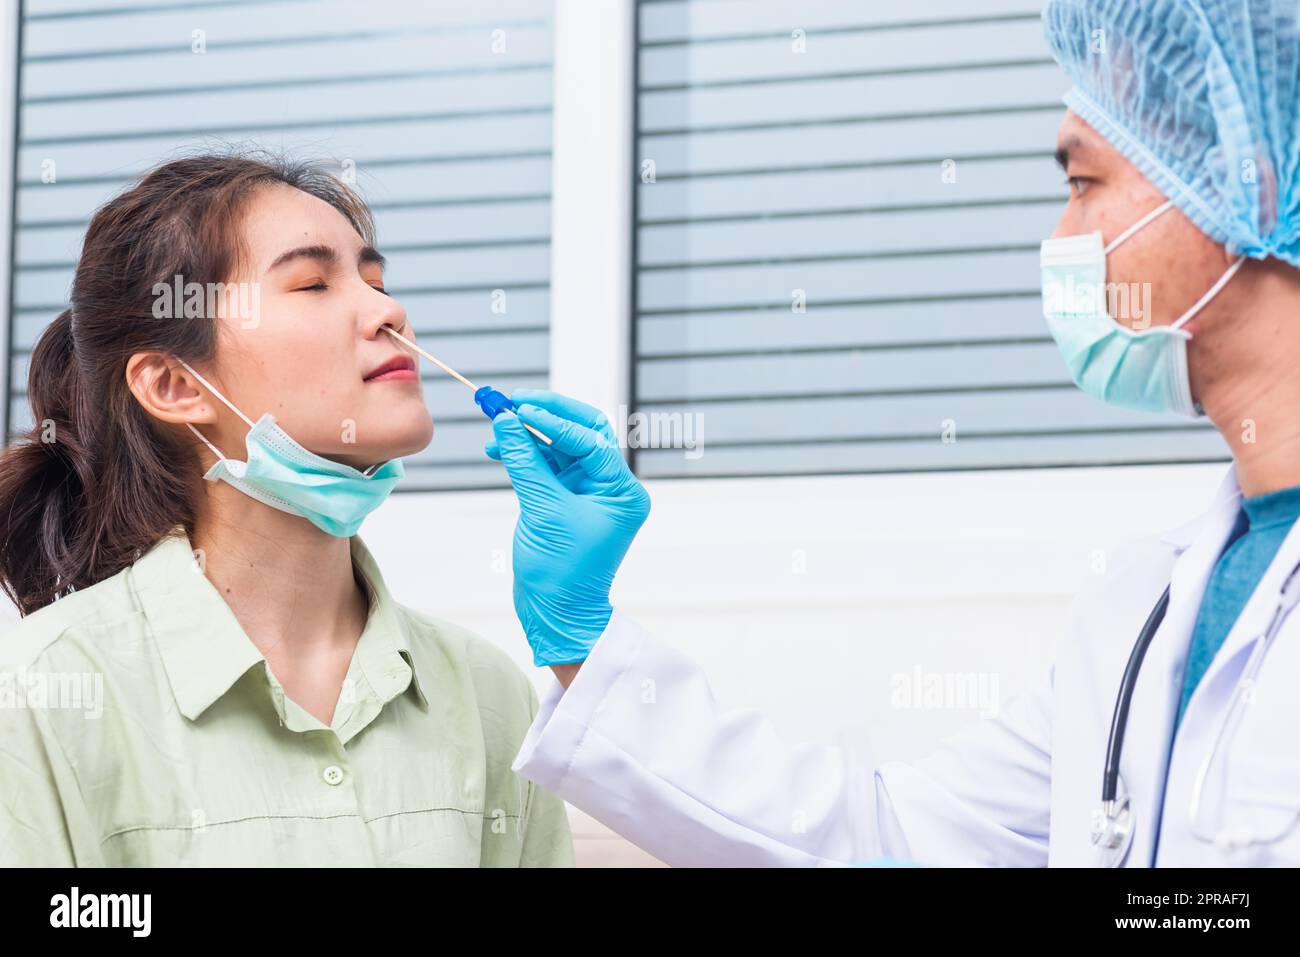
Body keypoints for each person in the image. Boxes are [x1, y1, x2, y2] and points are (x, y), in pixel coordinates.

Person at [485, 0, 1300, 866]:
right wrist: (584, 642)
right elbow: (890, 842)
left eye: (1081, 183)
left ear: (1247, 180)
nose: (1061, 240)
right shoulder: (1143, 607)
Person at [0, 153, 572, 867]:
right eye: (313, 283)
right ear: (176, 384)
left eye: (375, 279)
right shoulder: (36, 692)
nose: (388, 311)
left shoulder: (490, 694)